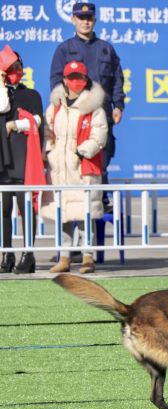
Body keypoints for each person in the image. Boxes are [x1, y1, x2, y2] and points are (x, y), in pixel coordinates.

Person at [42, 61, 108, 274]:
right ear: (64, 80)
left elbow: (99, 136)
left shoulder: (94, 107)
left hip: (82, 169)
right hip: (59, 170)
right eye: (71, 77)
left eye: (79, 77)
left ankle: (88, 257)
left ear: (86, 79)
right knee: (63, 215)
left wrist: (80, 152)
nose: (75, 81)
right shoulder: (55, 106)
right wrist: (49, 152)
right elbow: (47, 132)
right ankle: (64, 257)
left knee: (84, 214)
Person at [50, 2, 124, 176]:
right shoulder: (64, 49)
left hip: (102, 112)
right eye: (81, 18)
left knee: (101, 160)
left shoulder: (106, 49)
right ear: (73, 20)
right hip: (74, 115)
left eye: (89, 18)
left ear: (95, 20)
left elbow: (117, 79)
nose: (85, 22)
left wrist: (118, 106)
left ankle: (101, 191)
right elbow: (56, 81)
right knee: (73, 161)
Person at [0, 47, 44, 274]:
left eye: (18, 67)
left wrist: (16, 124)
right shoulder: (2, 94)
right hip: (3, 160)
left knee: (26, 207)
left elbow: (38, 120)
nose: (15, 71)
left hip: (23, 160)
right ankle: (6, 253)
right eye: (10, 68)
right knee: (4, 208)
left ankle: (28, 254)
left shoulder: (31, 95)